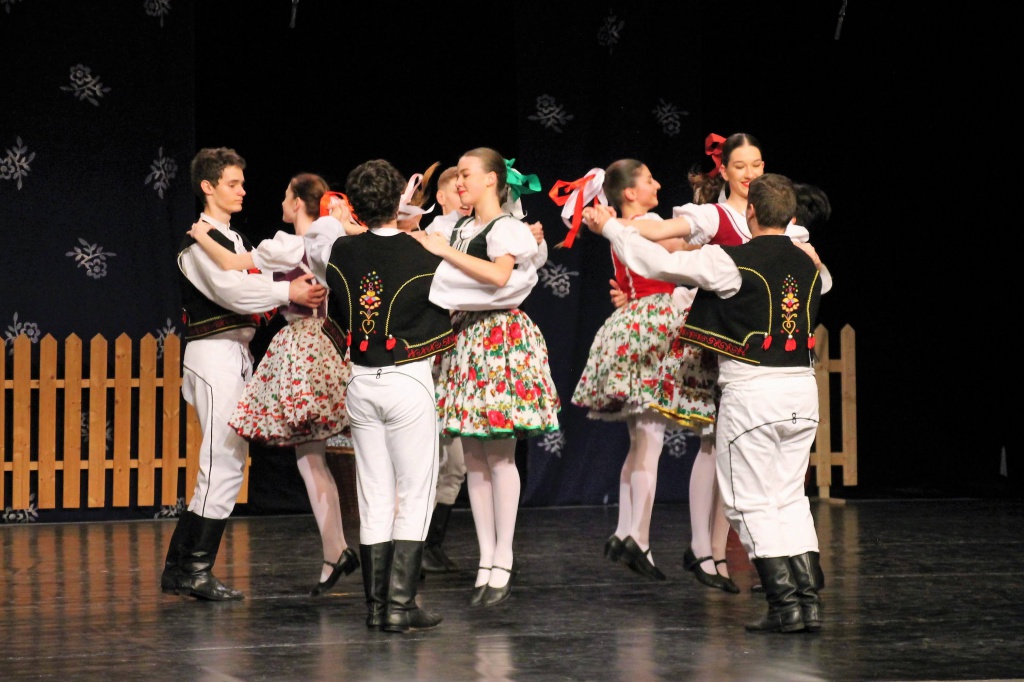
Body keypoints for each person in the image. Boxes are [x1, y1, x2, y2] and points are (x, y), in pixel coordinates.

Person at [585, 172, 831, 634]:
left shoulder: (731, 261)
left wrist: (613, 228)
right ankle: (807, 602)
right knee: (788, 497)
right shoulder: (811, 263)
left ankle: (785, 604)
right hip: (801, 390)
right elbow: (823, 283)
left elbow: (656, 264)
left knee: (748, 502)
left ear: (751, 211)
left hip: (754, 391)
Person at [185, 172, 365, 597]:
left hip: (304, 345)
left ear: (298, 202)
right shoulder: (334, 239)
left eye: (286, 195)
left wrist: (201, 235)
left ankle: (343, 549)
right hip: (332, 343)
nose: (281, 201)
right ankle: (336, 551)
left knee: (312, 454)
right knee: (313, 454)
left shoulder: (289, 243)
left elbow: (234, 266)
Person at [162, 147, 327, 601]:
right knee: (223, 460)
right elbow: (232, 292)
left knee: (226, 460)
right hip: (213, 353)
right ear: (207, 187)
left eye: (241, 182)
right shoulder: (198, 243)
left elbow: (254, 273)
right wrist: (286, 291)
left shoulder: (234, 241)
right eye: (232, 183)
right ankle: (194, 569)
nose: (242, 191)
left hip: (234, 352)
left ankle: (180, 568)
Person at [305, 159, 455, 633]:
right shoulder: (424, 253)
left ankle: (375, 606)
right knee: (414, 492)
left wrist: (348, 221)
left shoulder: (340, 251)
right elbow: (474, 291)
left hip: (360, 381)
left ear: (356, 204)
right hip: (407, 378)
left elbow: (318, 240)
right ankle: (400, 605)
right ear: (399, 203)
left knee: (373, 492)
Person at [412, 147, 559, 607]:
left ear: (492, 180)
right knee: (473, 457)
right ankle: (485, 557)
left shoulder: (506, 227)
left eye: (466, 174)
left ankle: (504, 557)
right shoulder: (458, 228)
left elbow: (499, 277)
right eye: (457, 176)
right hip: (465, 339)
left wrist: (443, 254)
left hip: (499, 339)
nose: (459, 182)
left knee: (499, 455)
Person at [567, 159, 694, 582]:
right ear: (630, 193)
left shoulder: (619, 232)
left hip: (630, 323)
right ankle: (639, 537)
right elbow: (683, 250)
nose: (657, 184)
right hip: (654, 325)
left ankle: (624, 531)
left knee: (639, 441)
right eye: (649, 180)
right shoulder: (647, 224)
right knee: (650, 441)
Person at [419, 165, 471, 574]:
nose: (464, 193)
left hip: (461, 357)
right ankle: (414, 543)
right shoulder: (436, 231)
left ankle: (432, 543)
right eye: (458, 188)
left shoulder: (476, 230)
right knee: (431, 458)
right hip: (434, 357)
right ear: (442, 197)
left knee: (456, 463)